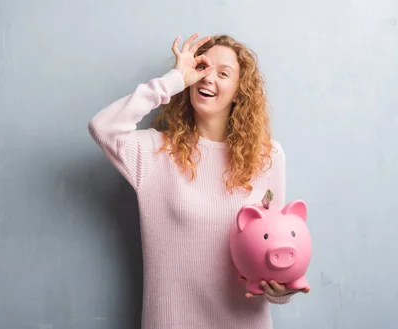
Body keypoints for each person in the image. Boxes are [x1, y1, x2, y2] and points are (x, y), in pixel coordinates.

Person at [87, 33, 310, 329]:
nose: (208, 79)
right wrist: (174, 79)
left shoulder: (268, 157)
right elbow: (103, 127)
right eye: (203, 68)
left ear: (239, 92)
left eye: (223, 73)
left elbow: (271, 255)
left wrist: (282, 291)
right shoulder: (155, 152)